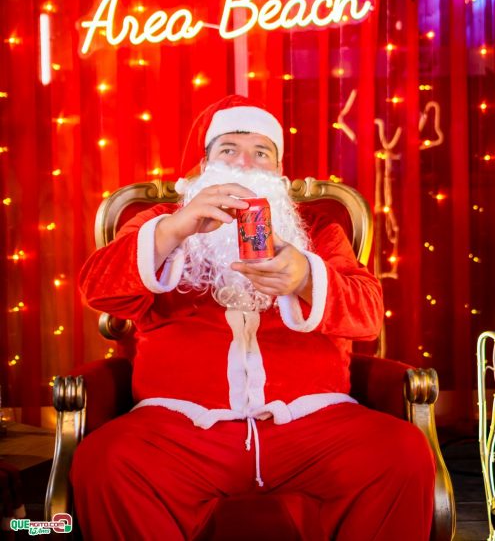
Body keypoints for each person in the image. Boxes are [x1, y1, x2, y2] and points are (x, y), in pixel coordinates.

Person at [71, 94, 435, 540]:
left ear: (279, 175)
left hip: (313, 427)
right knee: (105, 462)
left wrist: (306, 278)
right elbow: (99, 289)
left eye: (261, 152)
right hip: (179, 427)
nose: (245, 163)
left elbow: (367, 317)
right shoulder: (159, 223)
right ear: (203, 169)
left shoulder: (319, 231)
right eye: (229, 150)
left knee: (400, 454)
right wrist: (173, 230)